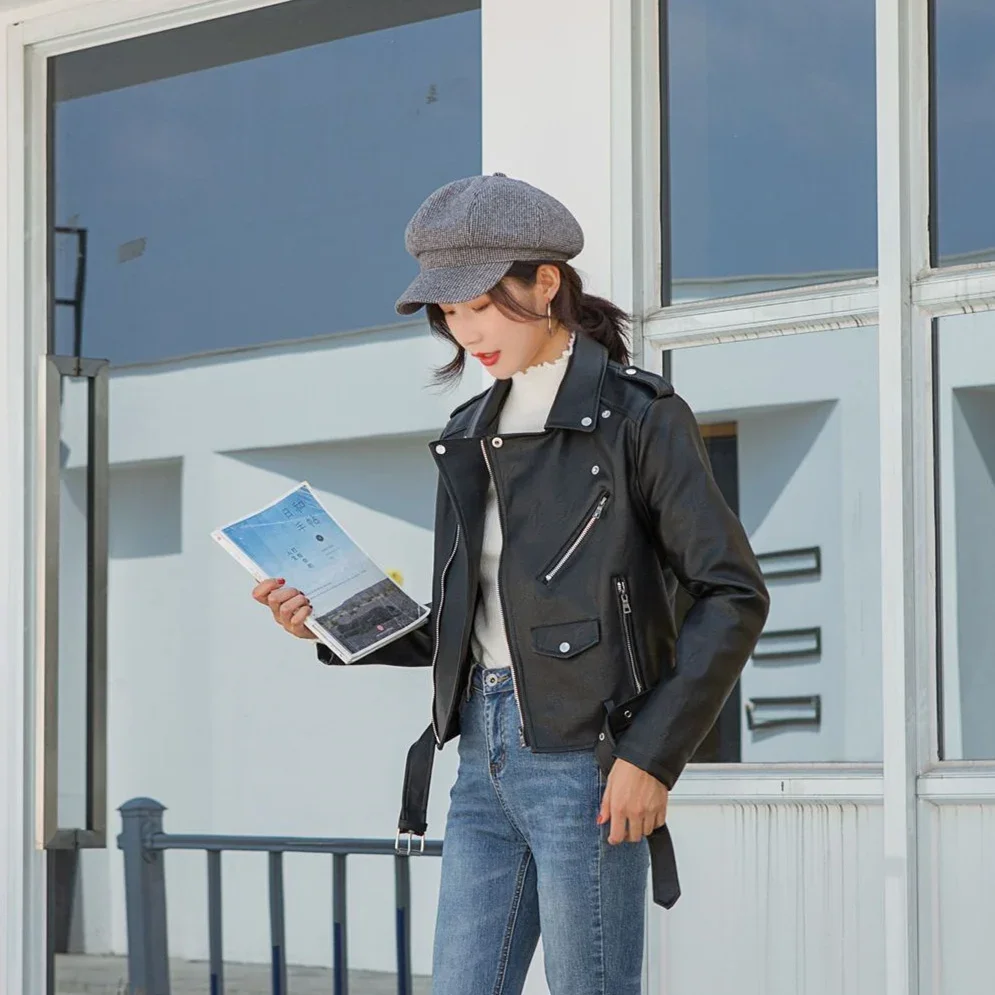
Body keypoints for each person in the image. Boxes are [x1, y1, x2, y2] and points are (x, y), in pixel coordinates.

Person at [252, 173, 769, 994]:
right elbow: (462, 622)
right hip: (480, 756)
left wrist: (651, 755)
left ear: (546, 282)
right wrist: (327, 621)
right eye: (449, 312)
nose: (465, 330)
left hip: (587, 761)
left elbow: (732, 592)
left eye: (481, 304)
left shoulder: (638, 418)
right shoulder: (468, 432)